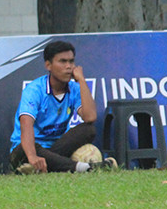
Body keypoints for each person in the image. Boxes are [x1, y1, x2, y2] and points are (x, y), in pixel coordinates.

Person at [9, 40, 114, 174]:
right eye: (63, 61)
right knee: (28, 148)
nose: (68, 66)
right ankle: (85, 168)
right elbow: (26, 124)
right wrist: (32, 156)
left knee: (88, 130)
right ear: (48, 65)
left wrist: (82, 81)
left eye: (71, 61)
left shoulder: (75, 89)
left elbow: (90, 117)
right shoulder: (34, 90)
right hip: (26, 149)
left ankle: (44, 166)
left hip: (56, 148)